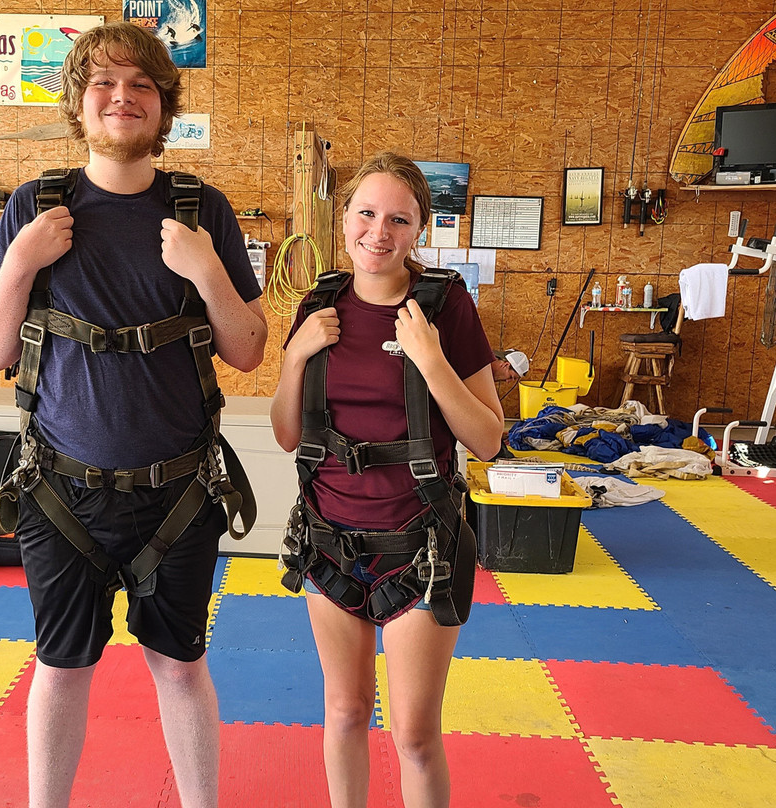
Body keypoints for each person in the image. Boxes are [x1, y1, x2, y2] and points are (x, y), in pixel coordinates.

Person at [0, 22, 266, 808]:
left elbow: (246, 350)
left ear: (164, 106)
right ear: (78, 103)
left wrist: (207, 272)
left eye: (140, 84)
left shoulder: (205, 210)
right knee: (61, 664)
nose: (122, 97)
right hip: (61, 488)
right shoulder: (36, 206)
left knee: (180, 663)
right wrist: (22, 264)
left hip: (178, 491)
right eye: (103, 83)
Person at [270, 152, 503, 807]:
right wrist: (294, 358)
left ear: (419, 230)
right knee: (344, 715)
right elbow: (289, 434)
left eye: (398, 219)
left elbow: (487, 438)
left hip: (421, 546)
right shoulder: (318, 306)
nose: (379, 231)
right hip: (330, 541)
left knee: (415, 736)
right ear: (342, 220)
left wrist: (432, 362)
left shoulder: (445, 305)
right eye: (366, 213)